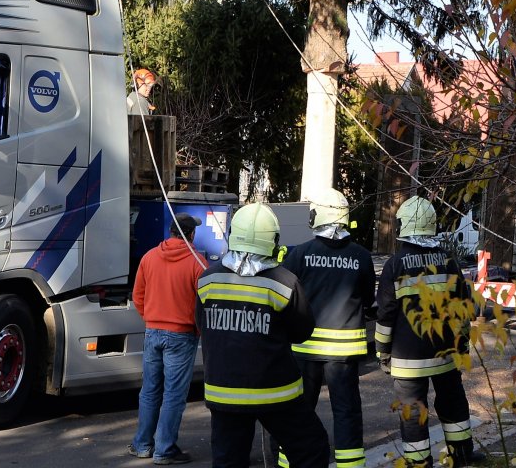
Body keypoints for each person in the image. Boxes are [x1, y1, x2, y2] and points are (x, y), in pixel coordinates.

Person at [195, 203, 330, 468]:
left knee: (228, 461)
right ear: (273, 240)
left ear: (234, 233)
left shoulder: (207, 280)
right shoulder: (284, 282)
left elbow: (202, 325)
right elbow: (302, 331)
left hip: (224, 392)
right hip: (276, 393)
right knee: (311, 450)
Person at [375, 196, 486, 468]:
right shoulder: (447, 260)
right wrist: (460, 347)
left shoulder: (395, 264)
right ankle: (462, 455)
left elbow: (386, 314)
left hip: (408, 359)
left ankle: (419, 462)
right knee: (453, 404)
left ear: (404, 226)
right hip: (446, 353)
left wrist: (382, 351)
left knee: (413, 412)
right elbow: (463, 306)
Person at [281, 189, 376, 468]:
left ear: (317, 216)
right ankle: (350, 464)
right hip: (343, 353)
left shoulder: (300, 254)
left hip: (305, 348)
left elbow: (284, 295)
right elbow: (368, 299)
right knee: (346, 411)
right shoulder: (360, 256)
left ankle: (291, 462)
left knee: (298, 410)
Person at [131, 213, 209, 464]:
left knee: (150, 391)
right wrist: (198, 329)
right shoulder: (198, 262)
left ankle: (142, 444)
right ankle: (164, 449)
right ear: (191, 235)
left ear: (171, 232)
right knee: (174, 394)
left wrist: (151, 319)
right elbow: (206, 302)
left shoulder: (149, 257)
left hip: (153, 331)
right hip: (181, 335)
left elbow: (138, 295)